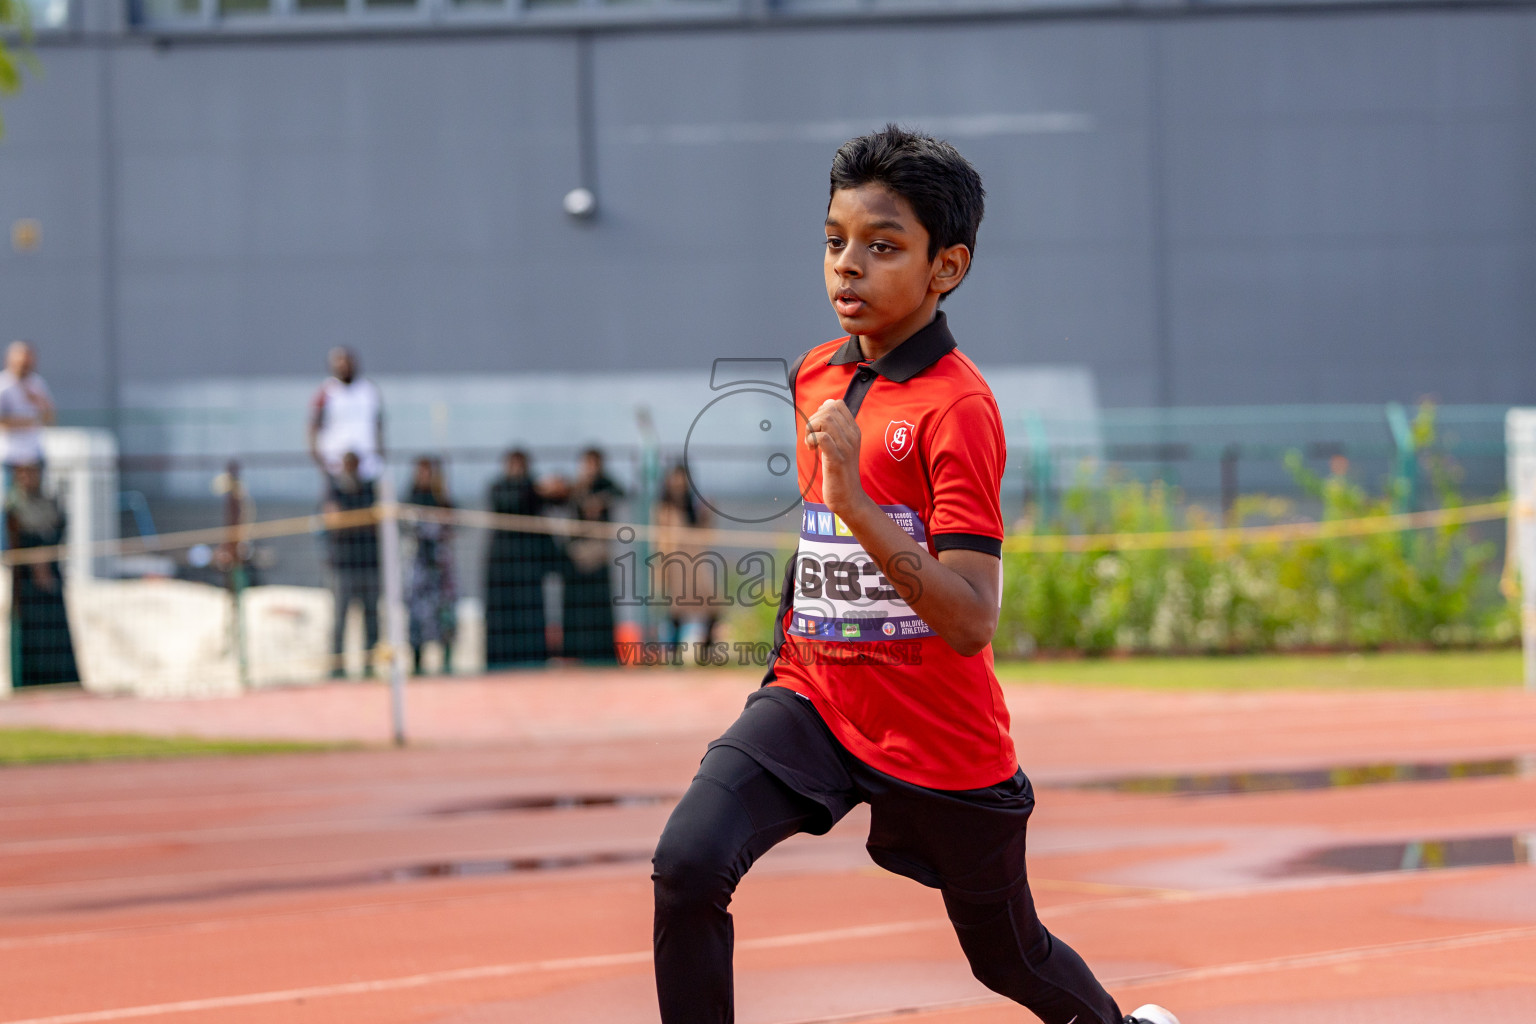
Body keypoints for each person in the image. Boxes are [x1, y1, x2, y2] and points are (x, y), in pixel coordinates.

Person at [651, 127, 1179, 1024]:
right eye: (834, 241)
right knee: (689, 865)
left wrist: (859, 503)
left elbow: (972, 617)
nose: (847, 266)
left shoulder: (961, 409)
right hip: (815, 700)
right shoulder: (816, 374)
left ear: (947, 267)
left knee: (1009, 957)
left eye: (882, 246)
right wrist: (785, 665)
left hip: (939, 740)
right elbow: (821, 545)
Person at [484, 449, 560, 667]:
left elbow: (559, 498)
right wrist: (537, 489)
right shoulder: (499, 487)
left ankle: (534, 657)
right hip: (503, 565)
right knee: (502, 617)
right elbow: (508, 502)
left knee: (530, 615)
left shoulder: (535, 489)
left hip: (528, 564)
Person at [6, 462, 79, 688]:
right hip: (25, 584)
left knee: (55, 634)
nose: (27, 477)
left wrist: (46, 562)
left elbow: (58, 533)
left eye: (31, 471)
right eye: (22, 472)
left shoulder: (51, 504)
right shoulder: (12, 507)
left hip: (51, 581)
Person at [560, 446, 623, 663]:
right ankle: (573, 653)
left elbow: (622, 492)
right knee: (575, 606)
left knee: (599, 607)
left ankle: (602, 653)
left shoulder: (606, 485)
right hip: (577, 555)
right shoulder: (575, 487)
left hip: (598, 555)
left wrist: (600, 500)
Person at [652, 461, 721, 657]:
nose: (678, 482)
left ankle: (707, 651)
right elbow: (661, 540)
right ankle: (672, 652)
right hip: (674, 563)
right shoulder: (664, 508)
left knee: (711, 606)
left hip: (696, 562)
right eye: (675, 477)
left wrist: (708, 515)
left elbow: (705, 535)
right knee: (676, 610)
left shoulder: (693, 506)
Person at [322, 451, 380, 679]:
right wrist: (357, 521)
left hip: (369, 564)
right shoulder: (334, 489)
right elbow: (334, 521)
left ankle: (370, 665)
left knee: (372, 618)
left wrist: (351, 521)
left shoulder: (369, 489)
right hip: (343, 565)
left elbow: (375, 520)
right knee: (339, 619)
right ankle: (337, 668)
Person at [405, 455, 457, 676]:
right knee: (417, 617)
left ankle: (446, 663)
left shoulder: (444, 501)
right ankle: (417, 663)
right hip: (419, 568)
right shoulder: (410, 499)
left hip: (441, 570)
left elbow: (453, 528)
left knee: (444, 616)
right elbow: (407, 528)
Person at [308, 347, 384, 483]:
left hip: (367, 466)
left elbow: (378, 425)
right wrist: (318, 457)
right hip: (335, 466)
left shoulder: (369, 390)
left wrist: (380, 453)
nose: (345, 367)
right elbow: (313, 426)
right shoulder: (326, 391)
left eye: (347, 362)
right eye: (340, 363)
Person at [0, 341, 56, 495]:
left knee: (35, 504)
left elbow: (50, 418)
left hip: (34, 455)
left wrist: (38, 402)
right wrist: (29, 421)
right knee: (7, 505)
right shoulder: (3, 385)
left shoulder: (37, 383)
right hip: (9, 456)